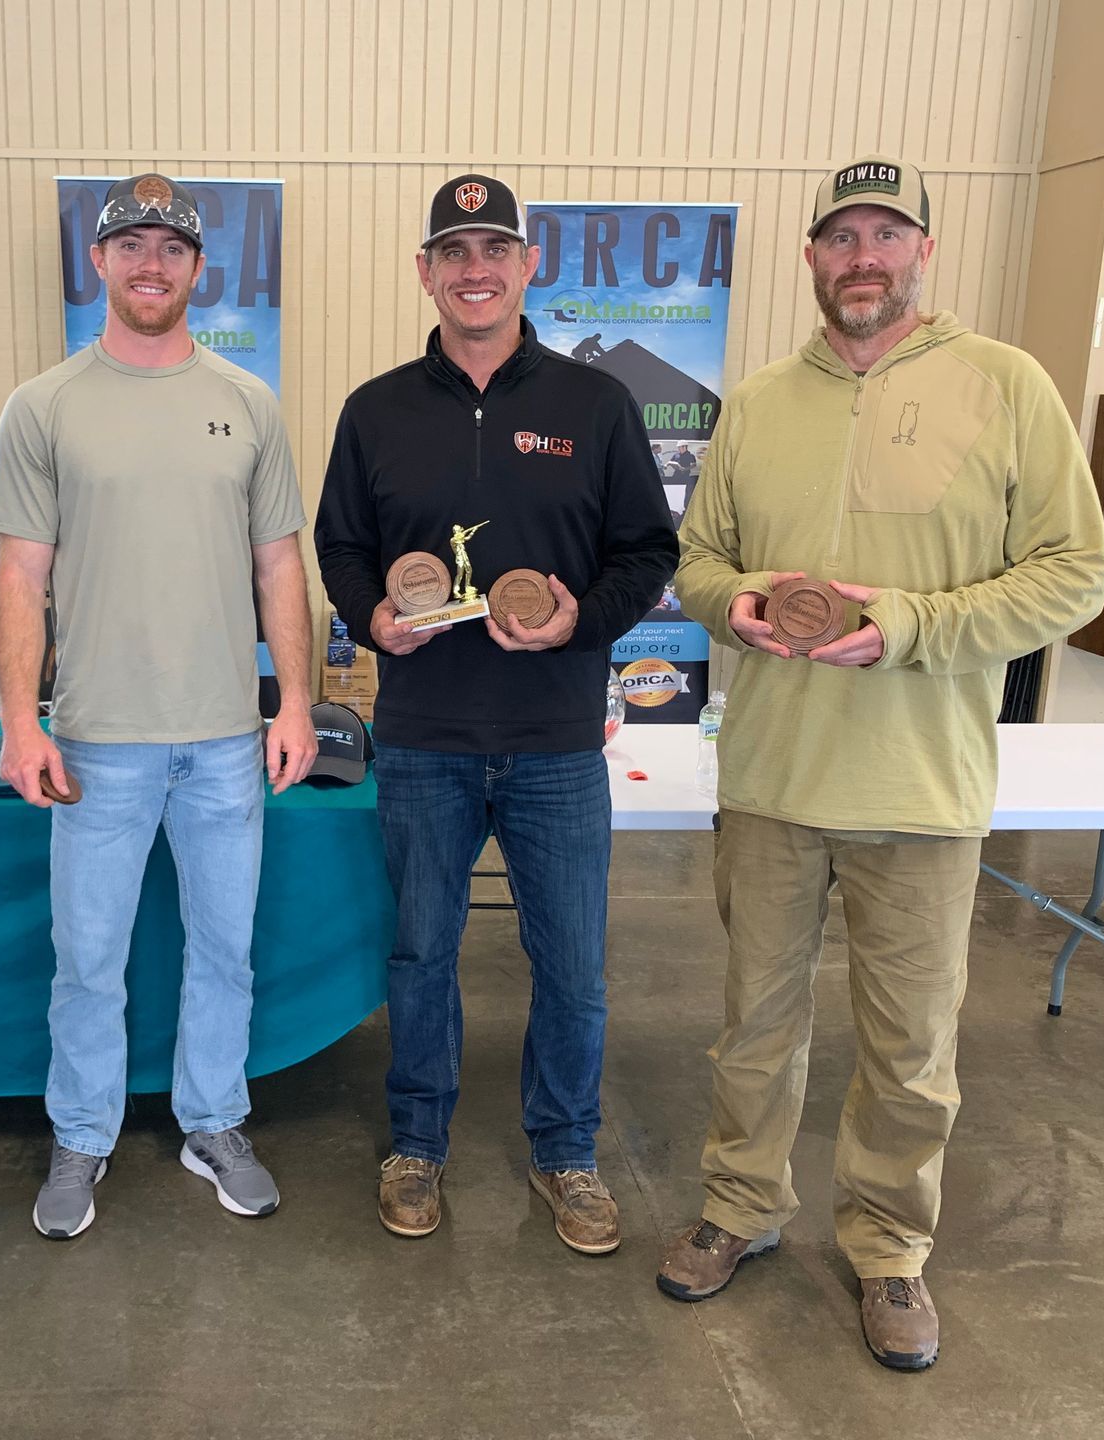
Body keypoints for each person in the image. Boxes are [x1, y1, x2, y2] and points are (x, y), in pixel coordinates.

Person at [663, 153, 1104, 1370]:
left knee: (913, 1046)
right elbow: (699, 559)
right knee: (753, 1024)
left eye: (886, 235)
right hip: (770, 780)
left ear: (923, 251)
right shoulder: (757, 400)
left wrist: (911, 627)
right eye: (841, 237)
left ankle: (890, 1247)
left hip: (922, 788)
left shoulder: (1006, 386)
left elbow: (1075, 574)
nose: (863, 257)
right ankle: (741, 1205)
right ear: (811, 257)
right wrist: (741, 600)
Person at [316, 173, 677, 1255]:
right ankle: (417, 1142)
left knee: (572, 963)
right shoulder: (375, 410)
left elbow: (647, 554)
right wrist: (372, 614)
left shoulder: (594, 406)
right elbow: (340, 547)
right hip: (425, 740)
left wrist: (578, 620)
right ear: (424, 273)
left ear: (530, 267)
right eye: (453, 252)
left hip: (557, 741)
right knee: (421, 955)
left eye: (495, 250)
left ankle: (566, 1150)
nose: (475, 269)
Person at [0, 173, 315, 1238]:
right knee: (89, 962)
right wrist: (21, 721)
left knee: (226, 951)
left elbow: (279, 572)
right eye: (132, 246)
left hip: (225, 741)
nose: (151, 264)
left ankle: (213, 1121)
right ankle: (81, 1137)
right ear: (102, 262)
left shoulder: (249, 404)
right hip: (98, 744)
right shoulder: (42, 407)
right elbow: (18, 581)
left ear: (196, 267)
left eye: (171, 248)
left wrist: (296, 701)